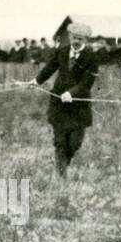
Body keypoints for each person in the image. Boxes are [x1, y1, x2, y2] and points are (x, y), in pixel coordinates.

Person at [30, 22, 100, 177]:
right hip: (58, 104)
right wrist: (36, 81)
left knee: (74, 143)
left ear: (86, 40)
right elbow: (50, 68)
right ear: (70, 37)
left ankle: (64, 163)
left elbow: (87, 83)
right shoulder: (62, 51)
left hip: (78, 107)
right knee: (60, 141)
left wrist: (71, 93)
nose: (76, 41)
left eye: (80, 39)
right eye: (74, 38)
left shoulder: (92, 57)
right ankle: (61, 174)